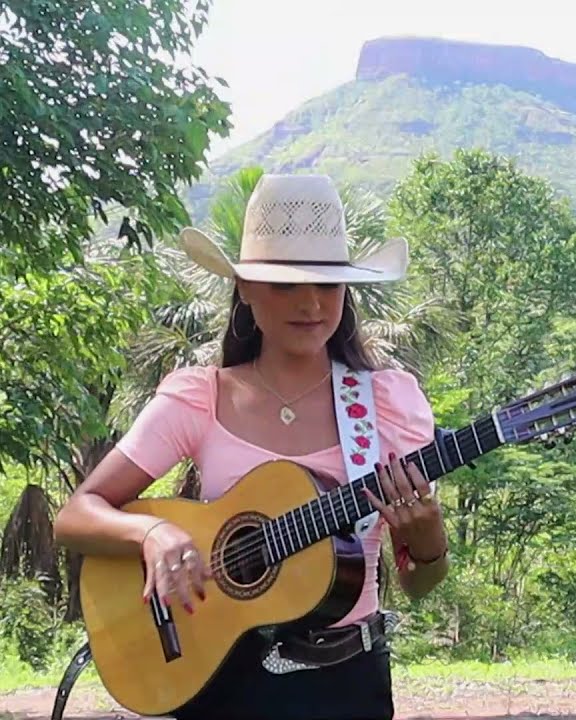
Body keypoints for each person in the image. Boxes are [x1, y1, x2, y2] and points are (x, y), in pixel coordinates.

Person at [53, 174, 449, 720]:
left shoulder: (385, 404)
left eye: (329, 285)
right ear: (245, 288)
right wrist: (152, 533)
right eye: (285, 285)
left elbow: (419, 584)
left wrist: (428, 546)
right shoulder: (201, 397)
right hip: (217, 679)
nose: (310, 303)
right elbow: (75, 515)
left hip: (346, 686)